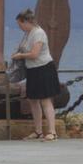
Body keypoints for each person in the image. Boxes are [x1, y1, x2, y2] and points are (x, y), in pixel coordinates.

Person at [12, 9, 61, 142]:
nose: (20, 27)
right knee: (33, 100)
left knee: (45, 100)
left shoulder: (38, 33)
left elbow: (34, 54)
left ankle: (52, 131)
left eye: (20, 24)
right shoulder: (28, 34)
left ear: (27, 22)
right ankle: (38, 131)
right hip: (32, 69)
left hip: (44, 68)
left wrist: (20, 55)